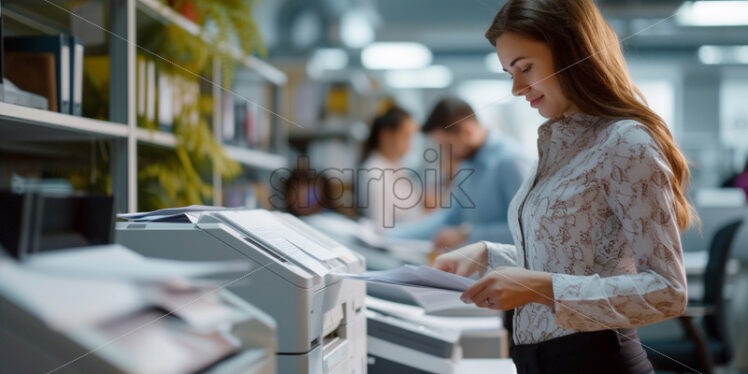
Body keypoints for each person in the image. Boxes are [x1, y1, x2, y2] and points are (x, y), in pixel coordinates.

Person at [433, 1, 696, 373]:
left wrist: (542, 288)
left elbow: (669, 292)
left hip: (597, 361)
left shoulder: (626, 142)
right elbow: (567, 262)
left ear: (574, 54)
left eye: (526, 68)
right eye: (510, 72)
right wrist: (486, 253)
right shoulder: (557, 143)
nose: (516, 88)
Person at [388, 97, 530, 250]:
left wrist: (468, 235)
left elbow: (527, 230)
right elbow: (449, 218)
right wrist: (389, 235)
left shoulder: (511, 162)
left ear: (467, 131)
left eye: (446, 145)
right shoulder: (466, 162)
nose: (445, 153)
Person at [358, 106, 422, 231]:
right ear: (386, 136)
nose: (410, 145)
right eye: (406, 137)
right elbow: (382, 228)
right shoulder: (374, 172)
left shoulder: (394, 166)